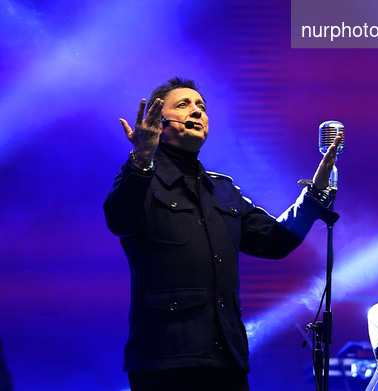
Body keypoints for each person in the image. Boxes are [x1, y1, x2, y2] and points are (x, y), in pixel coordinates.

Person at [104, 76, 343, 391]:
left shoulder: (223, 190)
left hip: (225, 358)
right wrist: (142, 159)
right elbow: (119, 219)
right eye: (184, 105)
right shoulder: (141, 177)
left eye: (201, 106)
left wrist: (311, 198)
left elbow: (275, 240)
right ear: (159, 122)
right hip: (165, 360)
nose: (196, 111)